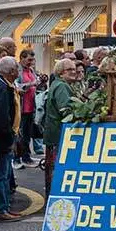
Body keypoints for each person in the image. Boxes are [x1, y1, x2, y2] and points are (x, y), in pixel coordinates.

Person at [0, 57, 23, 222]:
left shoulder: (8, 86)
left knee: (5, 174)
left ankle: (4, 206)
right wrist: (9, 137)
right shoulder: (1, 88)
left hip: (8, 136)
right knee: (1, 175)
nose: (18, 70)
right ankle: (0, 208)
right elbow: (2, 118)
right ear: (11, 71)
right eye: (16, 68)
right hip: (1, 139)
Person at [43, 58, 77, 199]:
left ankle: (52, 194)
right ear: (61, 73)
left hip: (54, 133)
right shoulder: (62, 86)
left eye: (74, 69)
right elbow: (66, 110)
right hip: (59, 134)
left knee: (53, 168)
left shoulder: (58, 84)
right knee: (57, 168)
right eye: (69, 70)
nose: (73, 72)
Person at [17, 49, 43, 162]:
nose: (31, 62)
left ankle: (26, 155)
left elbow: (35, 85)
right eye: (28, 59)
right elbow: (17, 86)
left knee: (28, 133)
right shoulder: (17, 71)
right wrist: (31, 84)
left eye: (32, 60)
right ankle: (20, 156)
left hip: (31, 106)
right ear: (22, 58)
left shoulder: (31, 70)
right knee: (21, 133)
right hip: (22, 107)